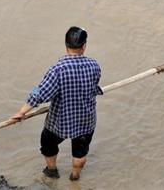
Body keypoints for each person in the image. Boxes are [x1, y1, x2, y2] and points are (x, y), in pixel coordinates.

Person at [12, 26, 102, 181]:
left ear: (66, 45)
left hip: (60, 121)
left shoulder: (57, 69)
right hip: (86, 120)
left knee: (48, 143)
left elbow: (39, 93)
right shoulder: (94, 65)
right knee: (80, 153)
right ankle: (75, 177)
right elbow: (94, 85)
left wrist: (21, 112)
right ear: (84, 46)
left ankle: (52, 171)